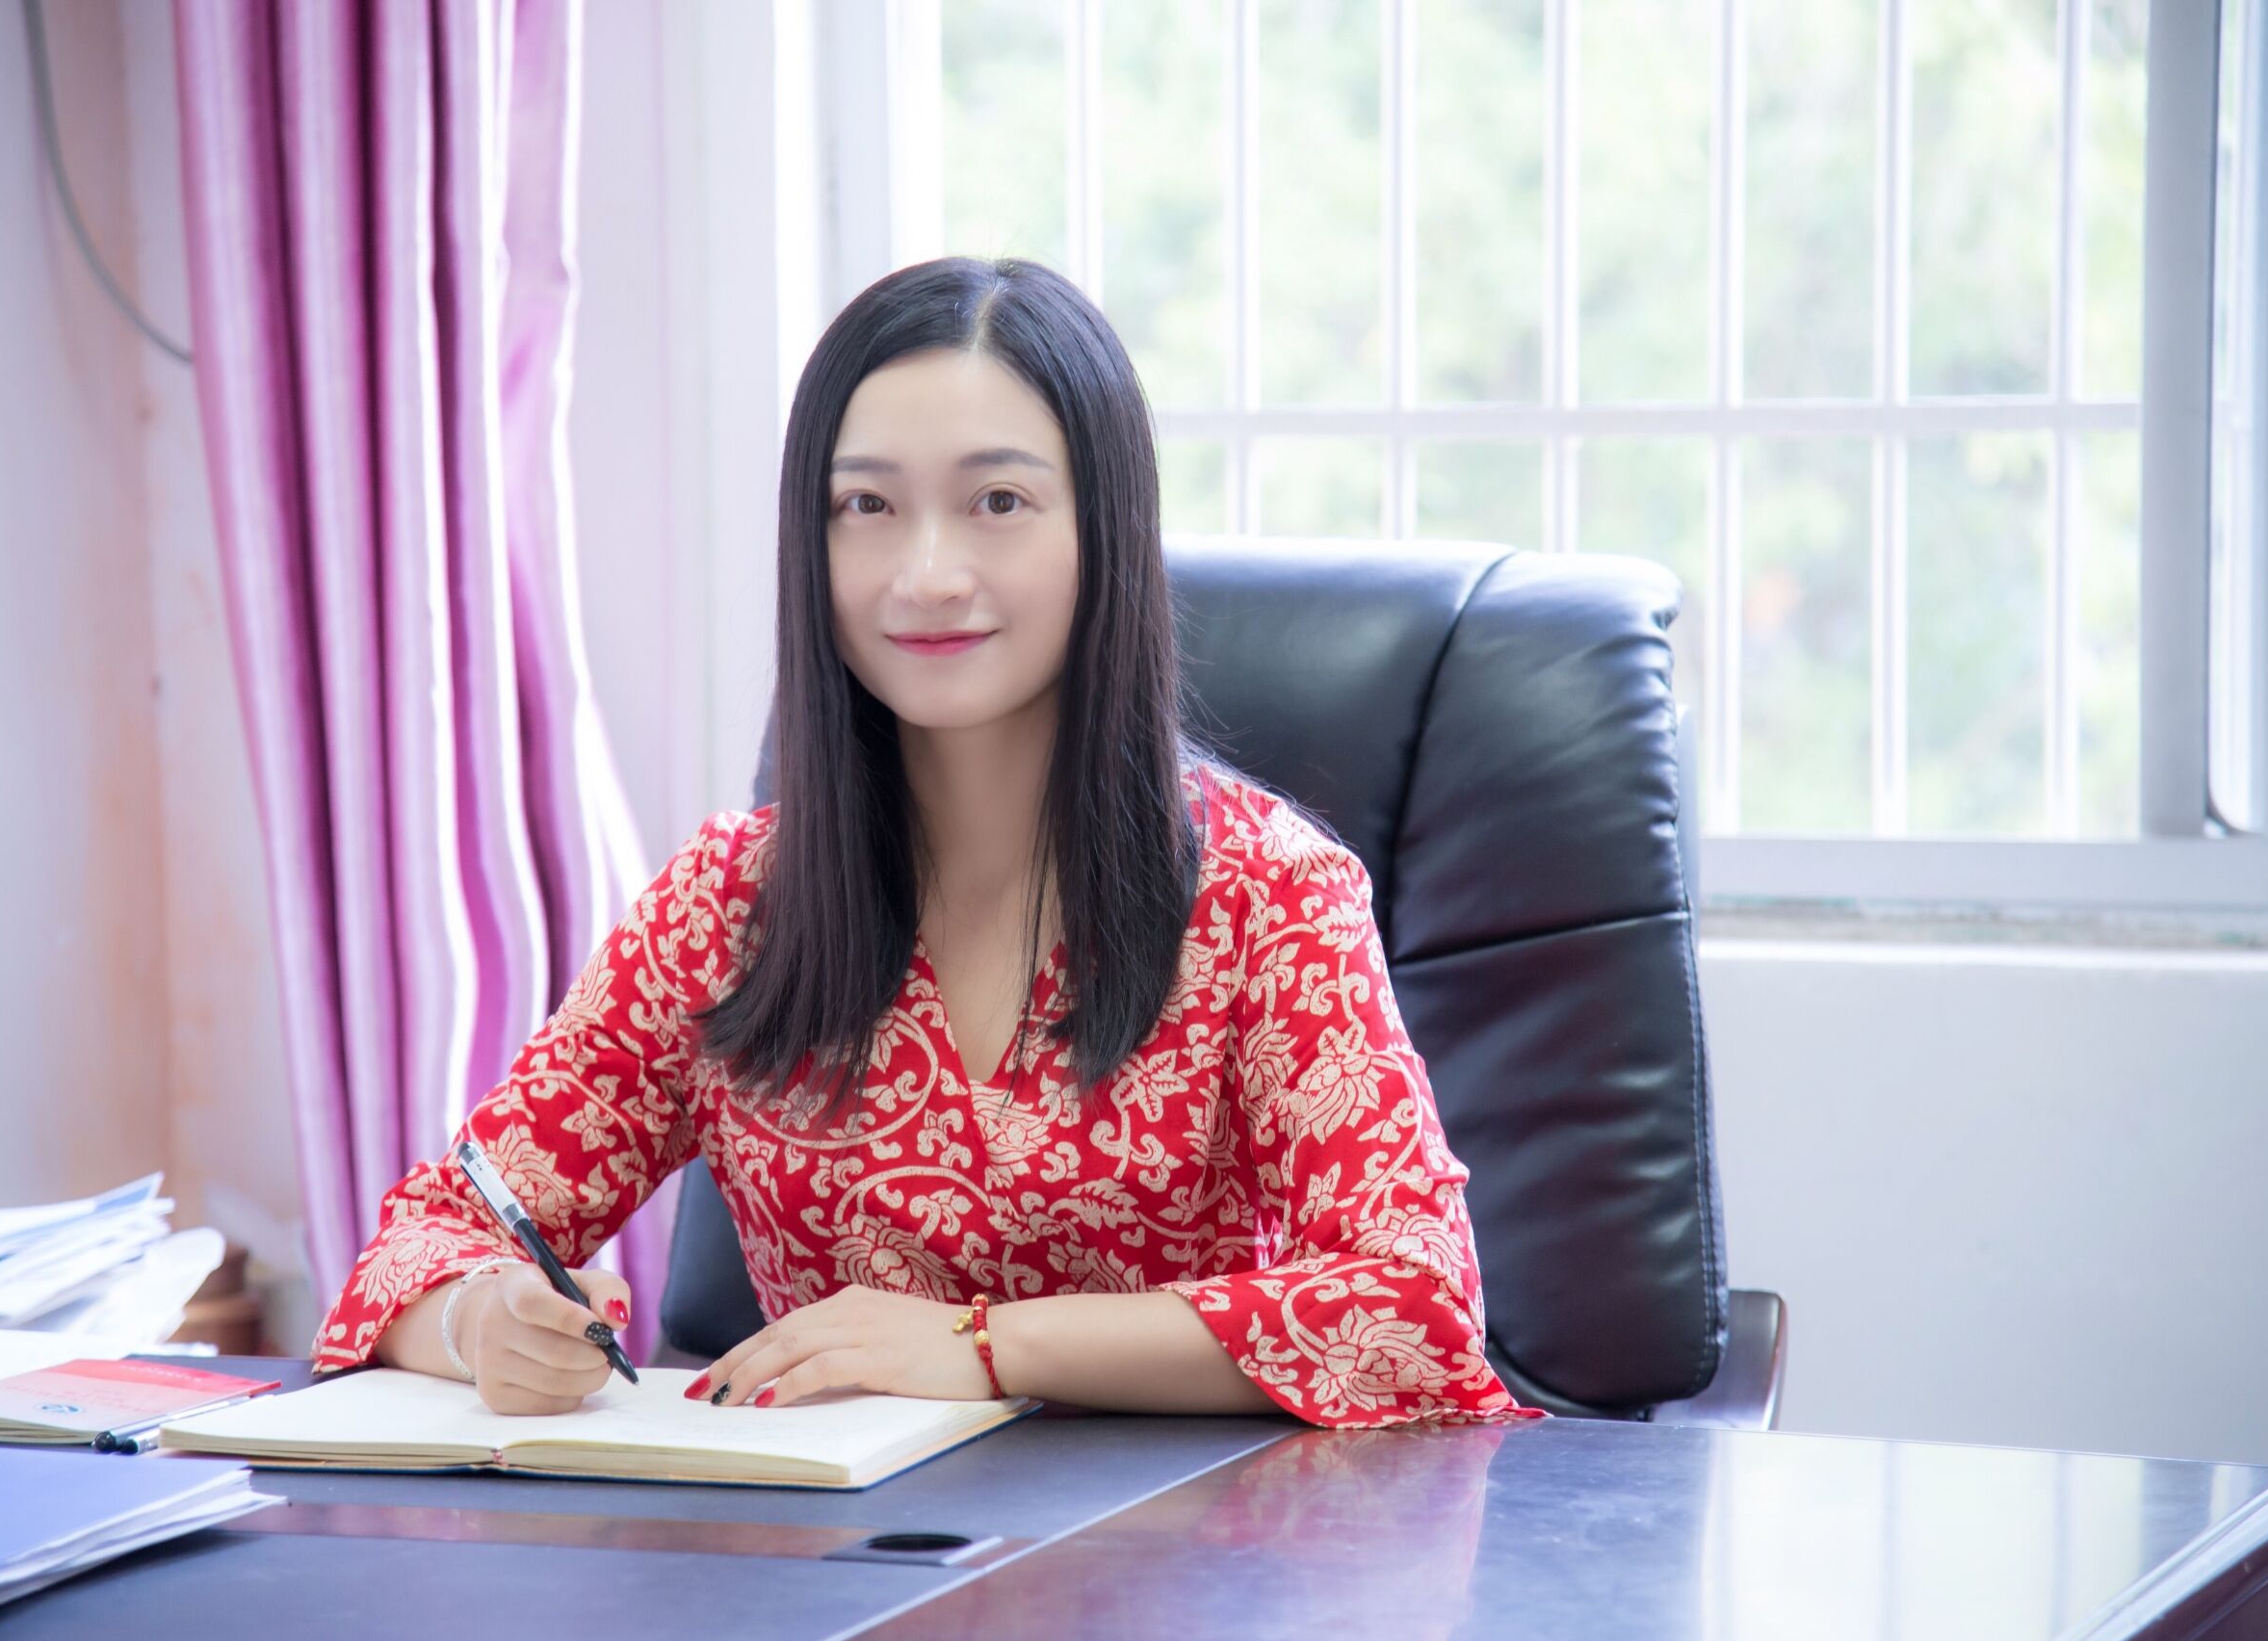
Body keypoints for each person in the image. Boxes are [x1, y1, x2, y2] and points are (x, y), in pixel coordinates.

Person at [313, 257, 1534, 1429]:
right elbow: (426, 1238)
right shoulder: (728, 904)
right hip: (838, 1543)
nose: (927, 573)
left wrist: (980, 1344)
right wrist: (481, 1318)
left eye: (998, 502)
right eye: (867, 506)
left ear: (1105, 527)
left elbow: (1414, 1305)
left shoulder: (1268, 894)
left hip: (1187, 1539)